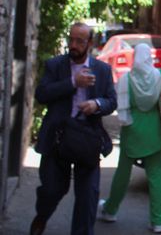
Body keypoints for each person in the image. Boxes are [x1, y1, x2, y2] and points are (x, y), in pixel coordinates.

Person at [29, 22, 117, 235]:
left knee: (88, 198)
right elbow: (42, 94)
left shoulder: (102, 70)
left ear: (90, 43)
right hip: (57, 139)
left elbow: (111, 101)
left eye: (79, 41)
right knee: (51, 190)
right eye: (71, 39)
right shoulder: (55, 66)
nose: (74, 45)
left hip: (87, 139)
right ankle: (41, 217)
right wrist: (72, 82)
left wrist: (96, 105)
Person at [98, 43, 161, 233]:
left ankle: (111, 209)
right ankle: (158, 221)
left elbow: (121, 106)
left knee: (123, 173)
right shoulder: (159, 76)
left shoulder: (127, 80)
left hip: (132, 130)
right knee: (156, 176)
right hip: (155, 131)